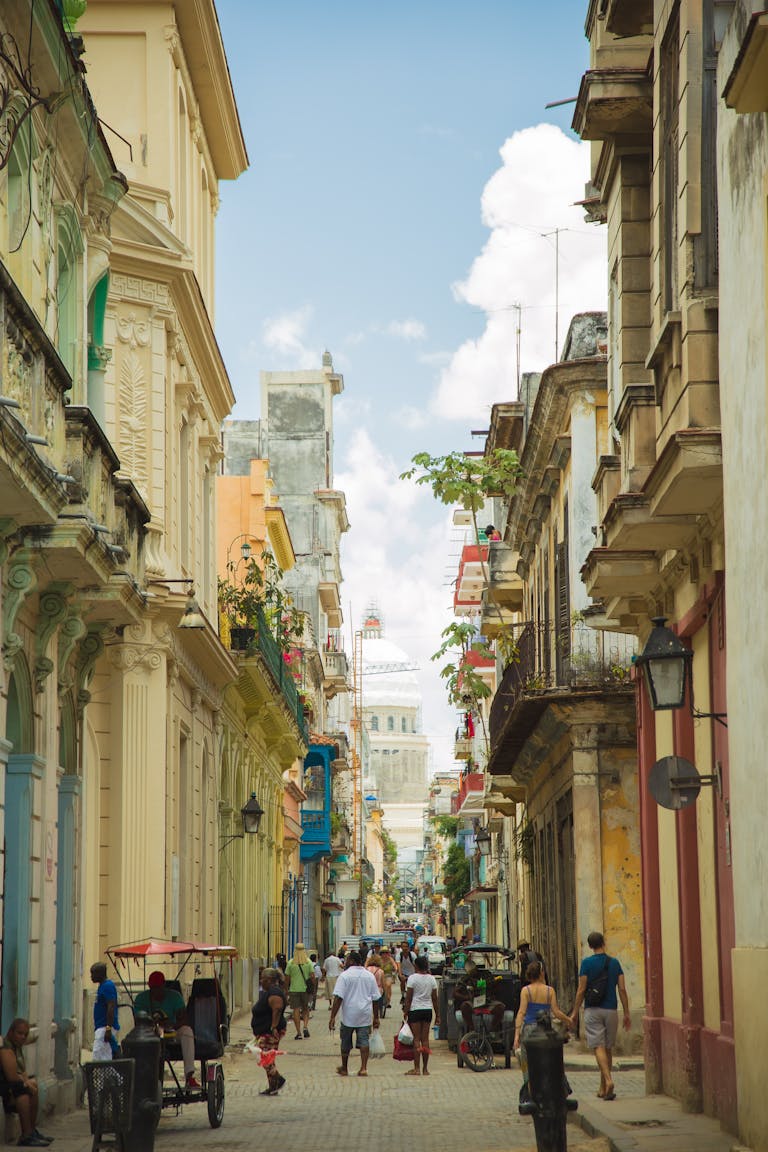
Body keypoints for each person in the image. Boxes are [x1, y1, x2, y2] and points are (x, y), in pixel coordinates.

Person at [570, 931, 631, 1101]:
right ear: (603, 942)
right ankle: (603, 1088)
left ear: (589, 946)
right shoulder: (615, 963)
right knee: (608, 1048)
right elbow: (622, 989)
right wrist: (626, 1012)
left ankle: (609, 1081)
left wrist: (575, 1011)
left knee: (598, 1047)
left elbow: (581, 989)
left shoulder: (587, 963)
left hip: (593, 1010)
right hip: (611, 1009)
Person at [134, 970, 200, 1089]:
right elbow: (139, 1021)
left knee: (187, 1031)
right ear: (149, 987)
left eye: (158, 988)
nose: (156, 992)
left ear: (164, 985)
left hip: (173, 1032)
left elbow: (184, 1019)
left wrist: (172, 1025)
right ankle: (148, 1080)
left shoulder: (175, 996)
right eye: (153, 988)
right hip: (151, 1034)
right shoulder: (141, 999)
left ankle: (189, 1076)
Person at [514, 961, 571, 1089]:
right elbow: (556, 1012)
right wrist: (568, 1019)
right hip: (546, 1030)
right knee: (552, 1060)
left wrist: (516, 1035)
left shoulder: (526, 991)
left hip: (528, 1029)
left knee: (526, 1062)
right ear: (541, 973)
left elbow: (521, 1012)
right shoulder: (549, 991)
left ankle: (529, 1087)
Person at [0, 1019, 52, 1147]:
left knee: (33, 1087)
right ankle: (26, 1136)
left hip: (11, 1084)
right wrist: (25, 1082)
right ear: (11, 1032)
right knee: (23, 1090)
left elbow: (22, 1071)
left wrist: (28, 1081)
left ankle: (30, 1131)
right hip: (5, 1086)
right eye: (19, 1033)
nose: (22, 1037)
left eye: (25, 1034)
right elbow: (12, 1076)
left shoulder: (17, 1048)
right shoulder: (6, 1048)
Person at [328, 951, 381, 1077]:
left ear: (351, 961)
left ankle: (344, 1068)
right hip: (364, 1015)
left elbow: (338, 998)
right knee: (364, 1041)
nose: (344, 963)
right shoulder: (369, 976)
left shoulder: (344, 976)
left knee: (345, 1042)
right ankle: (363, 1068)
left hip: (348, 1015)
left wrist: (332, 1017)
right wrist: (376, 1017)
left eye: (346, 960)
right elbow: (375, 998)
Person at [251, 967, 288, 1096]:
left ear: (270, 980)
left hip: (270, 1031)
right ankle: (273, 1086)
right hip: (266, 1030)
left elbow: (277, 1008)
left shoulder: (274, 992)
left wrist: (273, 1027)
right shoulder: (271, 991)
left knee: (264, 1056)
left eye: (263, 979)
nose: (261, 982)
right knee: (268, 1057)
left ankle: (278, 1079)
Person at [403, 955, 439, 1077]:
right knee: (425, 1040)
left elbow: (408, 998)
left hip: (415, 1010)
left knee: (416, 1039)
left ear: (416, 966)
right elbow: (435, 999)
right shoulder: (432, 979)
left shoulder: (412, 979)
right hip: (427, 1010)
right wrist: (438, 1015)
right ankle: (425, 1069)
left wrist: (405, 1012)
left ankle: (416, 1068)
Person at [452, 961, 506, 1034]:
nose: (472, 974)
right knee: (464, 1006)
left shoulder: (486, 975)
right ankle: (472, 1030)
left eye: (473, 971)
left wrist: (493, 984)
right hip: (473, 1002)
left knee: (500, 1007)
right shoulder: (465, 979)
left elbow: (497, 988)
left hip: (488, 1001)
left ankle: (492, 1030)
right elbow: (455, 993)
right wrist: (466, 997)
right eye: (470, 972)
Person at [90, 961, 120, 1060]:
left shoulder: (107, 986)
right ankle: (109, 1075)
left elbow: (111, 1007)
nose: (91, 977)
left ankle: (111, 1075)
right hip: (101, 1026)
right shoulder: (102, 986)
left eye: (93, 974)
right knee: (104, 1057)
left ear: (100, 974)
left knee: (98, 1056)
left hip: (104, 1027)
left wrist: (108, 1028)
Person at [285, 943, 315, 1039]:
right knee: (306, 1009)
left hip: (294, 990)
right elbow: (313, 976)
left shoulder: (290, 963)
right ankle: (305, 1027)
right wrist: (313, 987)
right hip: (305, 990)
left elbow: (287, 978)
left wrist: (286, 989)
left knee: (296, 1011)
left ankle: (298, 1033)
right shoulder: (308, 962)